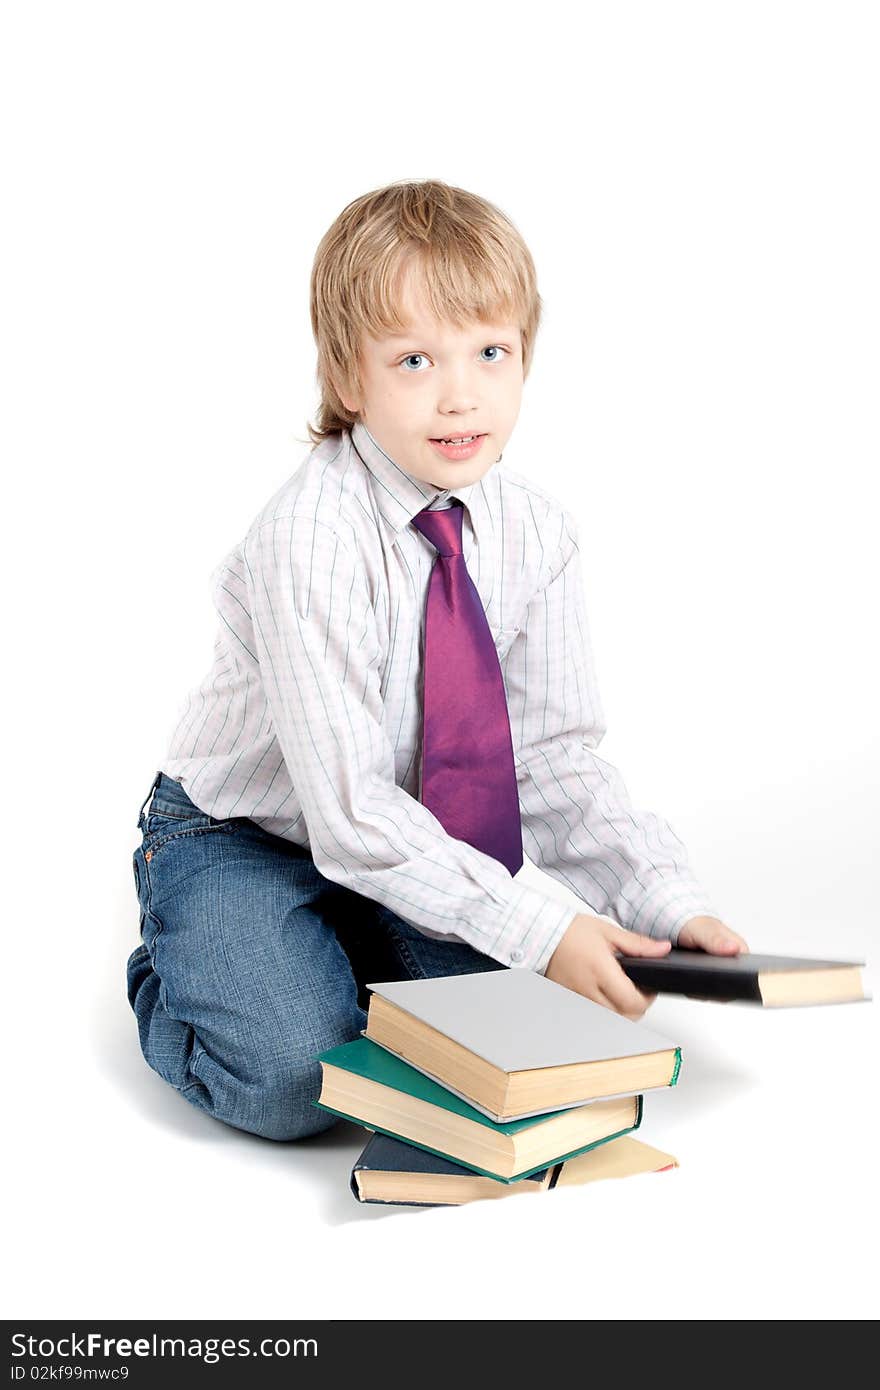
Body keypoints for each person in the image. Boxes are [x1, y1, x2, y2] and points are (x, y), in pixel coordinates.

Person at [127, 178, 748, 1142]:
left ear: (525, 362)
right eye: (414, 359)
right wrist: (542, 928)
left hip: (411, 835)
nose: (461, 393)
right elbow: (345, 810)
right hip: (244, 831)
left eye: (490, 352)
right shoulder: (312, 536)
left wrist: (664, 902)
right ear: (347, 380)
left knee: (507, 1046)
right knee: (295, 1080)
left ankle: (340, 946)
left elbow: (552, 761)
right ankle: (181, 963)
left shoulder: (536, 533)